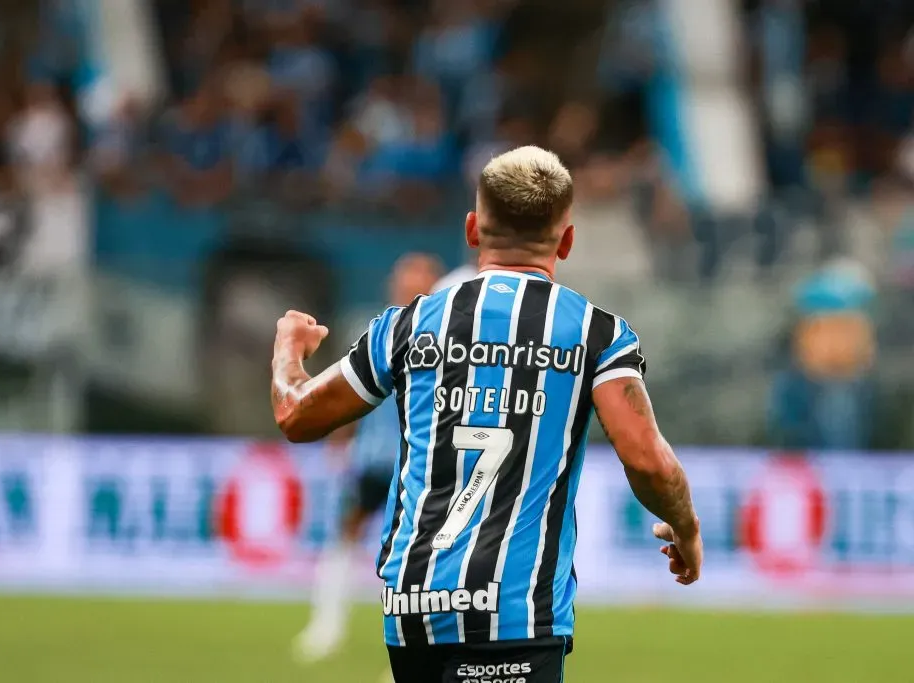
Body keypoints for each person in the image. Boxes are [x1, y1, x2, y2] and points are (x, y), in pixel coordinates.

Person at [270, 146, 702, 682]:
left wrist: (288, 347)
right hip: (516, 614)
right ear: (566, 240)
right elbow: (647, 460)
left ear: (473, 229)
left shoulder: (406, 326)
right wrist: (685, 528)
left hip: (412, 610)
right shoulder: (598, 335)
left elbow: (295, 414)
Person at [294, 252, 443, 662]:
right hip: (376, 460)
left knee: (422, 553)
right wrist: (340, 439)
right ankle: (326, 625)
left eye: (418, 277)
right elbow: (348, 389)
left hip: (422, 464)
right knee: (346, 533)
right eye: (404, 277)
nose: (408, 284)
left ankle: (420, 646)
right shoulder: (376, 329)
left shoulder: (448, 333)